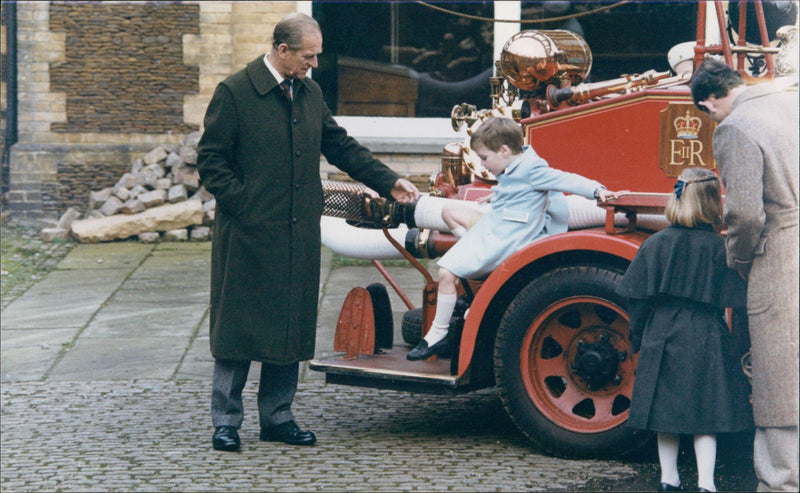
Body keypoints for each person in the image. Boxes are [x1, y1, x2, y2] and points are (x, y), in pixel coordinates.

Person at [197, 13, 419, 452]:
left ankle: (278, 418)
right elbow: (211, 161)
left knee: (288, 329)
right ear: (282, 51)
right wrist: (245, 205)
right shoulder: (235, 93)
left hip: (297, 233)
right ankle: (226, 422)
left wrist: (388, 181)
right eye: (308, 56)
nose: (315, 64)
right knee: (237, 330)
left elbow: (340, 146)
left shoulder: (309, 92)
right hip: (246, 233)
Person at [407, 116, 618, 361]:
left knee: (445, 273)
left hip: (510, 235)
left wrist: (598, 190)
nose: (483, 165)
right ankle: (471, 263)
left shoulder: (534, 169)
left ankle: (438, 334)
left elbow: (567, 179)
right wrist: (495, 196)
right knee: (449, 219)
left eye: (484, 158)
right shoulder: (516, 164)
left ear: (504, 150)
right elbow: (514, 188)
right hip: (498, 225)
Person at [691, 58, 799, 491]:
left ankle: (780, 482)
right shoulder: (790, 105)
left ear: (710, 101)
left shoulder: (734, 127)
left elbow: (745, 214)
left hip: (780, 258)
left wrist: (738, 260)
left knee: (778, 380)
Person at [616, 168, 753, 492]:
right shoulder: (720, 249)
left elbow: (637, 300)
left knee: (666, 415)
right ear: (711, 203)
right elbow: (737, 302)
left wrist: (636, 338)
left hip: (662, 333)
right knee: (706, 416)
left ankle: (669, 479)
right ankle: (707, 484)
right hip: (707, 333)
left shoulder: (656, 244)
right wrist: (735, 347)